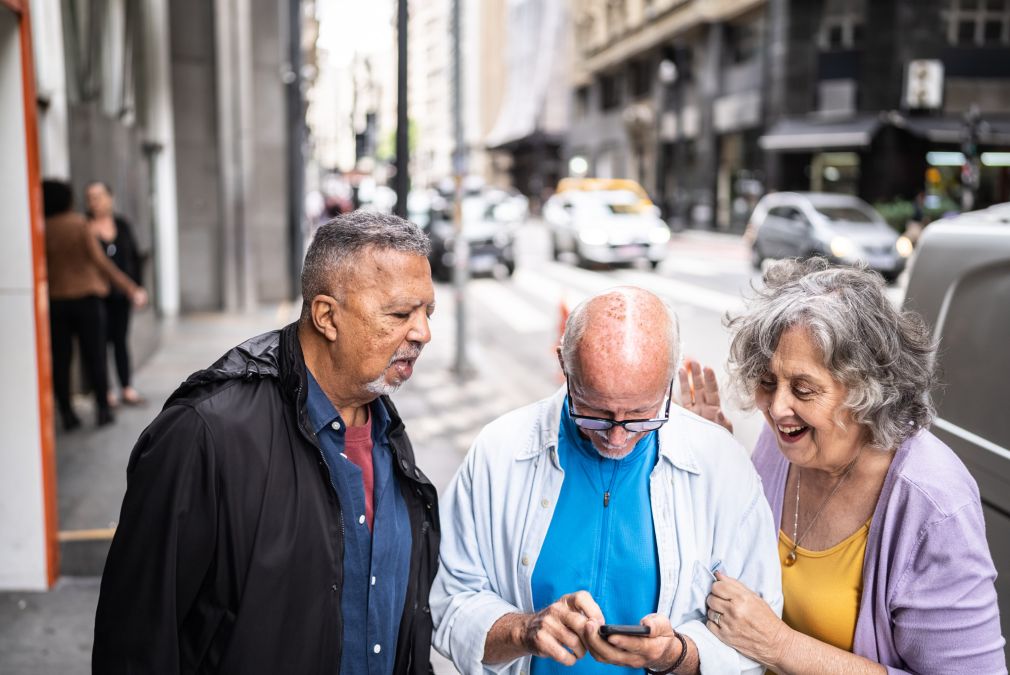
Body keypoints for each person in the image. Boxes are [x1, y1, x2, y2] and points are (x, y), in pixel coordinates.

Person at [93, 212, 441, 674]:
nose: (422, 333)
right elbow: (136, 643)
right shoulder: (204, 433)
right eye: (400, 314)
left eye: (427, 313)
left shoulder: (385, 431)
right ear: (326, 316)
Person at [431, 287, 782, 675]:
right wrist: (522, 632)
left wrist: (677, 655)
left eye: (640, 415)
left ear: (670, 379)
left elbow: (757, 638)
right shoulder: (498, 451)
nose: (617, 437)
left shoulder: (722, 465)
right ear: (564, 364)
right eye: (595, 412)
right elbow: (449, 597)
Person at [682, 258, 1006, 673]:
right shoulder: (783, 442)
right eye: (767, 382)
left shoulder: (935, 505)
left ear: (866, 390)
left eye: (803, 388)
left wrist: (778, 644)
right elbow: (736, 560)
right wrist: (719, 465)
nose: (778, 408)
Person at [42, 179, 147, 430]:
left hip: (56, 302)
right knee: (96, 354)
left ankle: (66, 412)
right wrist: (130, 288)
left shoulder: (43, 228)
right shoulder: (80, 224)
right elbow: (102, 263)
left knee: (61, 359)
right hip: (87, 299)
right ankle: (102, 409)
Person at [86, 181, 146, 407]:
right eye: (90, 197)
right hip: (97, 295)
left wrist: (137, 287)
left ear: (110, 198)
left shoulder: (121, 224)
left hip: (121, 295)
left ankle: (126, 386)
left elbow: (134, 256)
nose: (95, 201)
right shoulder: (86, 227)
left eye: (99, 196)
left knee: (120, 340)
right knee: (98, 344)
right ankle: (105, 391)